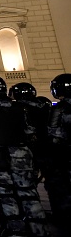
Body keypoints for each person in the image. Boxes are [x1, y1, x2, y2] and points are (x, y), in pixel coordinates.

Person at [0, 75, 50, 236]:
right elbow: (31, 133)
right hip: (22, 156)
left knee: (6, 195)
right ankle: (40, 229)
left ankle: (15, 231)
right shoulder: (20, 108)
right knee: (29, 194)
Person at [47, 73, 71, 224]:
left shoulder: (60, 109)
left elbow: (54, 137)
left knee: (61, 188)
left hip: (65, 157)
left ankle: (64, 217)